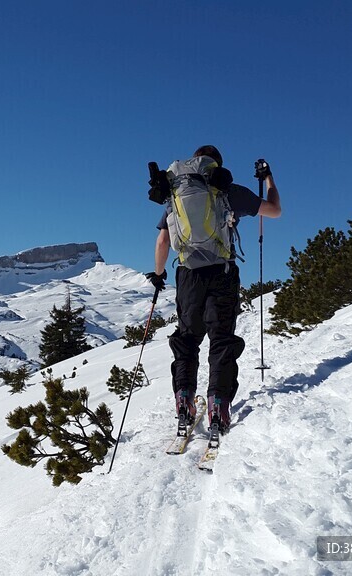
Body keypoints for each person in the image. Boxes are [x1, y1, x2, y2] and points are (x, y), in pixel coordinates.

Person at [146, 145, 282, 435]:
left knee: (186, 340)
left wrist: (159, 275)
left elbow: (162, 242)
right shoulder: (227, 189)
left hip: (188, 276)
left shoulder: (176, 194)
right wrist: (269, 179)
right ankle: (218, 404)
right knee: (221, 339)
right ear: (216, 165)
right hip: (222, 272)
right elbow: (275, 211)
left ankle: (184, 399)